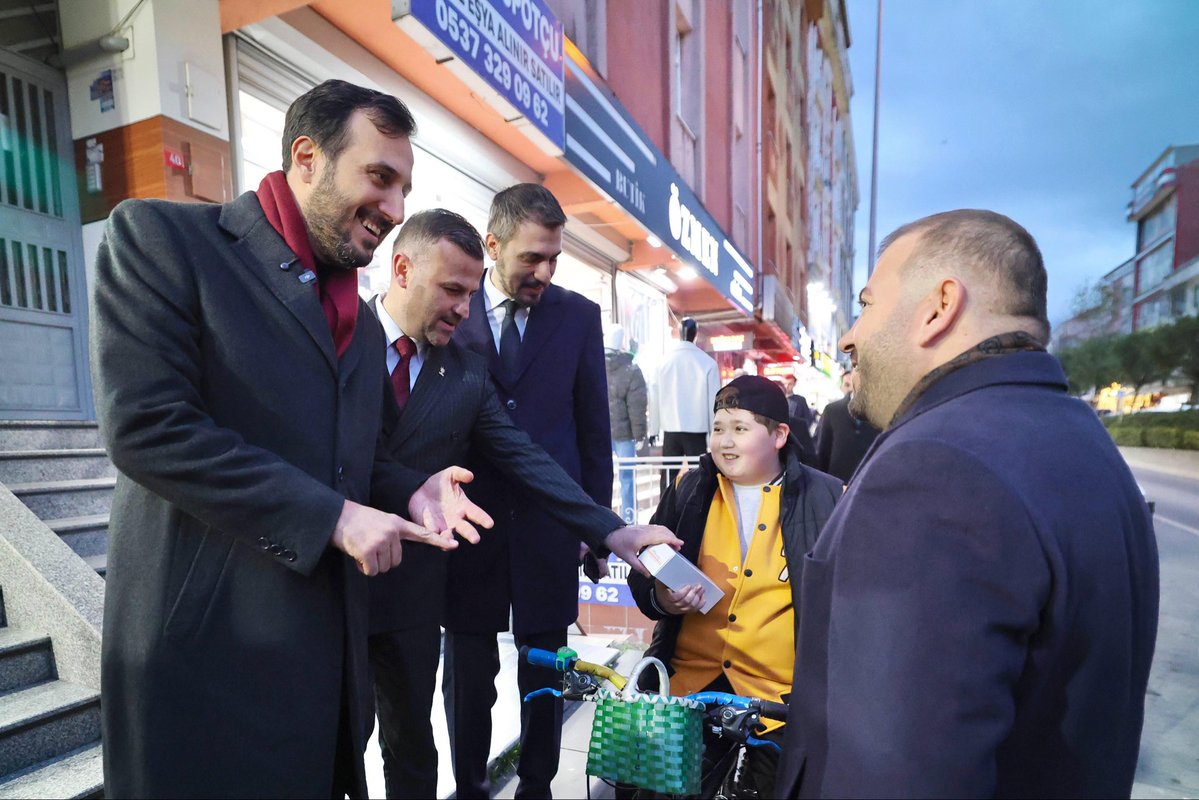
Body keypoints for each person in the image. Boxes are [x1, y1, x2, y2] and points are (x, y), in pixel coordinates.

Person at [89, 79, 494, 798]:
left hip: (323, 679)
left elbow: (352, 458)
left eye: (404, 188)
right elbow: (148, 427)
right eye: (379, 178)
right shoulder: (161, 239)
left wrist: (411, 488)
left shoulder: (361, 324)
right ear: (306, 157)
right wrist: (332, 518)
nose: (395, 210)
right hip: (202, 675)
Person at [777, 210, 1159, 798]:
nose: (851, 336)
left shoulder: (931, 468)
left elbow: (897, 775)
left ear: (939, 306)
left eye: (868, 304)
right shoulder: (1082, 440)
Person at [366, 209, 680, 798]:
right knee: (352, 732)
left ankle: (523, 783)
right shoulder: (345, 337)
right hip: (370, 566)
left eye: (469, 292)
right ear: (404, 270)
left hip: (472, 557)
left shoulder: (465, 369)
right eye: (452, 291)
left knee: (417, 741)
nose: (463, 310)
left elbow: (538, 448)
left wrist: (609, 528)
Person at [442, 183, 615, 798]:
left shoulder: (577, 316)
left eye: (553, 259)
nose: (543, 272)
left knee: (544, 668)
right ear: (493, 245)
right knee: (468, 672)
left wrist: (596, 529)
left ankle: (537, 785)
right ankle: (468, 786)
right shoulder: (452, 313)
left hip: (549, 525)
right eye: (530, 259)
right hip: (469, 523)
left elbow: (595, 428)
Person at [627, 375, 841, 798]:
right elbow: (644, 575)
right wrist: (664, 599)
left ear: (780, 434)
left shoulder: (827, 498)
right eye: (719, 428)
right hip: (686, 691)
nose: (725, 441)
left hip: (777, 703)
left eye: (741, 429)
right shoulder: (690, 490)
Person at [654, 316, 721, 490]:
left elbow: (654, 397)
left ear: (679, 334)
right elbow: (714, 403)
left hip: (670, 427)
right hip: (697, 430)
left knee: (668, 478)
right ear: (696, 334)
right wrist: (715, 432)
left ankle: (664, 513)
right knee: (700, 477)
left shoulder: (662, 363)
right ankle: (699, 513)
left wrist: (653, 428)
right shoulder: (708, 363)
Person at [605, 323, 648, 523]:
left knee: (601, 476)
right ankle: (628, 520)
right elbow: (636, 407)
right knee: (627, 479)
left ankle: (601, 519)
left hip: (600, 433)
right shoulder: (631, 370)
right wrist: (640, 435)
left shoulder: (592, 364)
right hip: (624, 434)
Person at [811, 368, 880, 483]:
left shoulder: (880, 412)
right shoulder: (832, 410)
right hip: (836, 484)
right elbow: (823, 451)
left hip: (869, 483)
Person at [779, 373, 817, 465]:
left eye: (790, 384)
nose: (787, 386)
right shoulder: (776, 400)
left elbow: (808, 419)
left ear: (794, 384)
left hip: (798, 437)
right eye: (785, 384)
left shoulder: (800, 400)